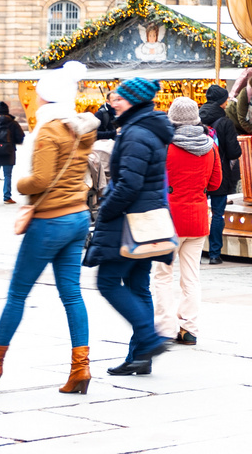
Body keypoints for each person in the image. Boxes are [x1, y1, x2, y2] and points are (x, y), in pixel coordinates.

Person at [0, 73, 100, 394]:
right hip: (77, 216)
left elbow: (40, 180)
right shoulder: (78, 127)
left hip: (50, 221)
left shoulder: (50, 129)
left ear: (47, 98)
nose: (35, 99)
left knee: (17, 295)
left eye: (38, 94)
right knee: (72, 294)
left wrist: (20, 185)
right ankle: (80, 368)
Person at [84, 77, 175, 376]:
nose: (114, 101)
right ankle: (140, 356)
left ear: (134, 100)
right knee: (137, 286)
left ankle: (150, 339)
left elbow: (128, 185)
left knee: (107, 282)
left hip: (131, 223)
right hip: (146, 223)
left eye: (120, 97)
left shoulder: (137, 133)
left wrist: (105, 212)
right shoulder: (145, 128)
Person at [152, 97, 221, 346]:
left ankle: (166, 327)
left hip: (169, 220)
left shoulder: (165, 146)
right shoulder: (210, 147)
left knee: (162, 275)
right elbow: (215, 183)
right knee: (191, 277)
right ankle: (189, 328)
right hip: (198, 219)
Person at [198, 84, 240, 265]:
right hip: (217, 172)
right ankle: (215, 254)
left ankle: (196, 250)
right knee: (217, 214)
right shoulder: (225, 122)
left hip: (197, 172)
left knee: (198, 211)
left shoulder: (196, 120)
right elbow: (233, 152)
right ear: (222, 102)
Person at [0, 101, 25, 204]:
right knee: (7, 175)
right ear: (7, 112)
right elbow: (20, 137)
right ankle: (7, 197)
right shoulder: (13, 123)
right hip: (9, 151)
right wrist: (12, 142)